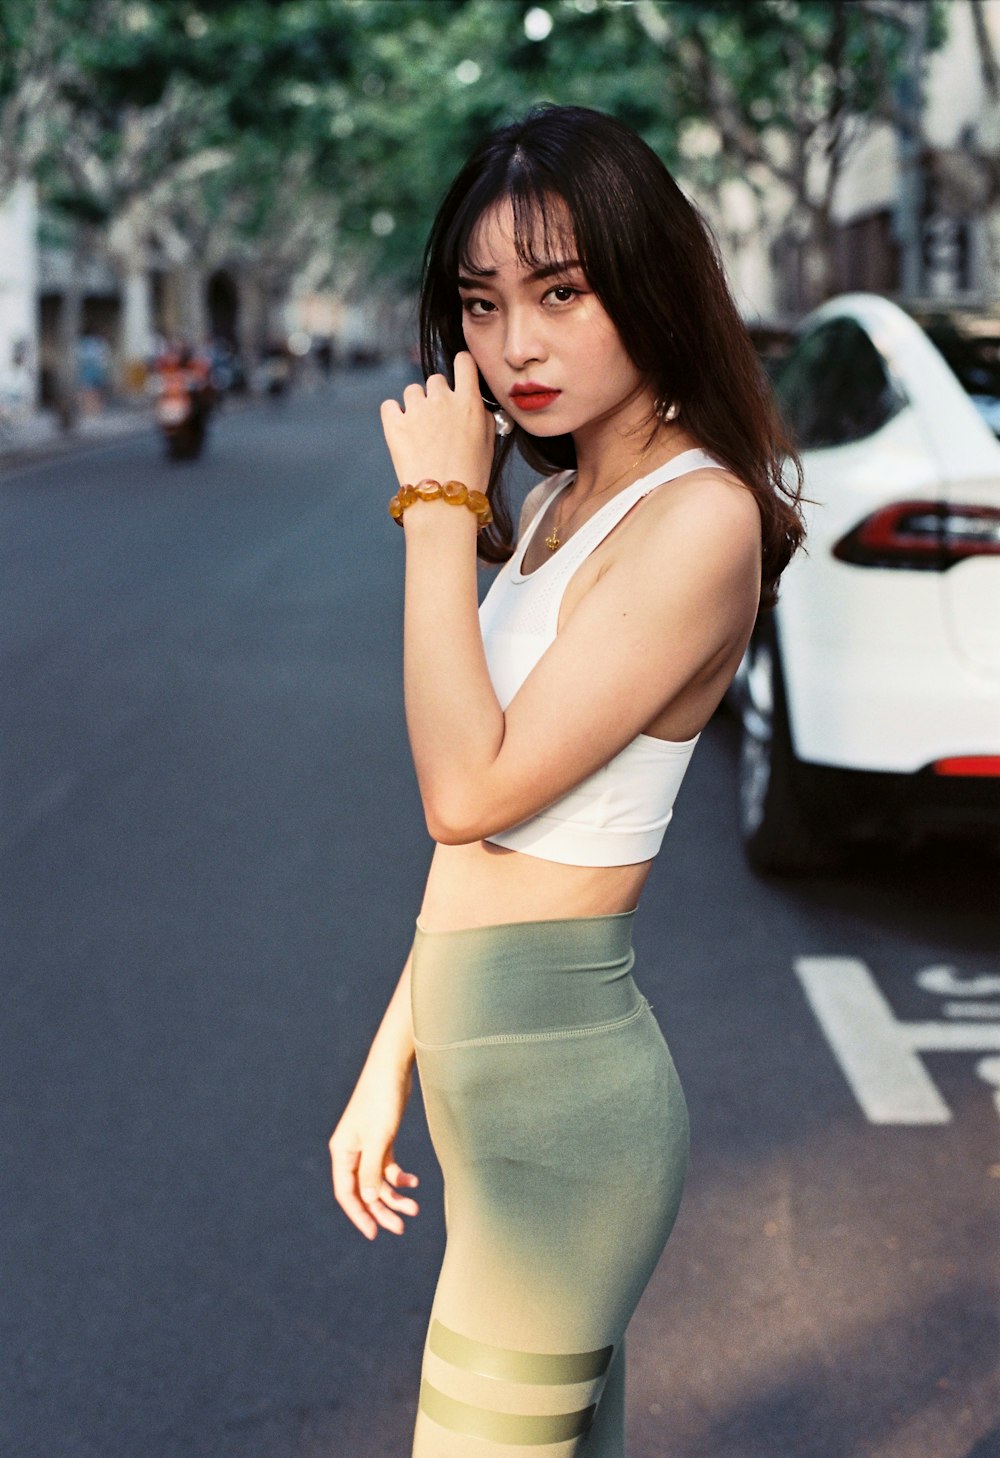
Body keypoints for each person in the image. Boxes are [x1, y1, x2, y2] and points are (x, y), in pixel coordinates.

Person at [329, 104, 804, 1456]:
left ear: (649, 281)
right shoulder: (555, 503)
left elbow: (464, 791)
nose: (513, 344)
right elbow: (472, 857)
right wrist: (389, 1066)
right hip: (489, 1093)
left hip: (565, 1113)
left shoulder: (700, 517)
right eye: (481, 304)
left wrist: (434, 508)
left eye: (561, 291)